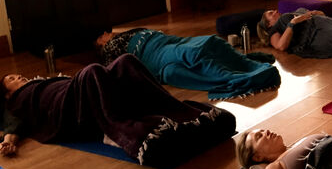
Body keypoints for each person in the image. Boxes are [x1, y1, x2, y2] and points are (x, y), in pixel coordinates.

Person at [2, 54, 236, 169]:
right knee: (93, 70)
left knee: (126, 61)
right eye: (11, 79)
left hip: (77, 91)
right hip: (65, 111)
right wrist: (8, 141)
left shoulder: (42, 81)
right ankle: (123, 132)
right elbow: (13, 123)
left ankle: (181, 114)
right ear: (7, 94)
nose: (18, 76)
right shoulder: (16, 103)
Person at [95, 28, 280, 100]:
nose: (107, 33)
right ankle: (238, 76)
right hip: (156, 54)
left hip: (168, 40)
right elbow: (116, 71)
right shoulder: (110, 49)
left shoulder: (127, 32)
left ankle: (247, 64)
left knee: (211, 42)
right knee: (192, 54)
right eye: (103, 34)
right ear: (100, 43)